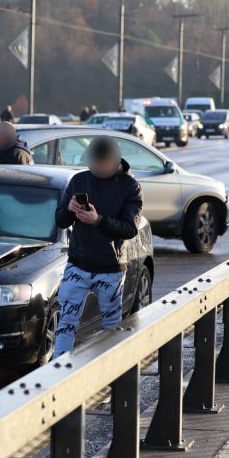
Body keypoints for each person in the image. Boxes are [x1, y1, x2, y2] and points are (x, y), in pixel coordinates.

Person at [53, 136, 143, 358]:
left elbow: (130, 228)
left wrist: (98, 220)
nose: (96, 167)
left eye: (102, 163)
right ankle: (58, 374)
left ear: (115, 162)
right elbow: (60, 220)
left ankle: (112, 375)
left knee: (111, 327)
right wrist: (70, 210)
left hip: (111, 267)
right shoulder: (79, 181)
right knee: (66, 322)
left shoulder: (130, 186)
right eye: (93, 162)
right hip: (78, 263)